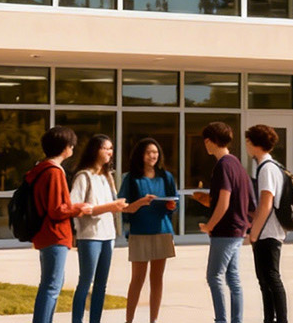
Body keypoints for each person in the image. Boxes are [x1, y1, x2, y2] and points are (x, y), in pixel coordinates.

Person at [71, 134, 147, 323]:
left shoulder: (107, 177)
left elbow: (120, 206)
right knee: (86, 282)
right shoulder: (83, 176)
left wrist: (142, 202)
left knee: (101, 285)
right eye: (105, 148)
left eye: (111, 148)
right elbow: (76, 208)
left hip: (108, 235)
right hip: (90, 236)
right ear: (94, 150)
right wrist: (110, 207)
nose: (109, 152)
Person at [23, 127, 89, 323]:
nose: (73, 148)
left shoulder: (40, 169)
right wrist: (79, 209)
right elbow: (56, 209)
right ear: (64, 148)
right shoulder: (54, 172)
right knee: (52, 286)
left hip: (45, 234)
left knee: (50, 284)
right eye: (71, 145)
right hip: (55, 234)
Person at [191, 121, 252, 323]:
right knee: (232, 278)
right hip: (237, 230)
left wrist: (210, 226)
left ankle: (222, 320)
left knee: (214, 277)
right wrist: (206, 199)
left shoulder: (223, 166)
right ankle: (236, 320)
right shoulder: (237, 165)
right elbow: (235, 200)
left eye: (206, 140)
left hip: (225, 231)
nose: (205, 144)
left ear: (212, 141)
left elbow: (224, 202)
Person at [119, 138, 178, 323]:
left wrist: (170, 206)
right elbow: (124, 207)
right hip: (140, 232)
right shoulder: (131, 178)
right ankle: (129, 320)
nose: (153, 155)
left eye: (156, 152)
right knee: (137, 279)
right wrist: (140, 202)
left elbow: (174, 204)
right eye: (148, 152)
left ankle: (153, 320)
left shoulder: (166, 176)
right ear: (140, 155)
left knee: (157, 278)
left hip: (162, 231)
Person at [244, 125, 289, 323]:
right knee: (265, 280)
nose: (246, 146)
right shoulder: (269, 166)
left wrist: (253, 232)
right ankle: (269, 319)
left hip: (268, 232)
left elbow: (266, 203)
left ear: (255, 144)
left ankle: (281, 320)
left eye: (248, 142)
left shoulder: (267, 169)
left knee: (271, 277)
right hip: (267, 231)